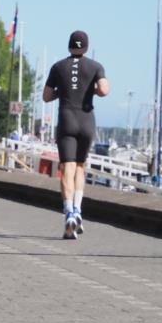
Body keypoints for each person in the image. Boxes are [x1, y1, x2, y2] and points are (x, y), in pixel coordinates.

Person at [42, 30, 110, 239]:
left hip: (66, 120)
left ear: (69, 46)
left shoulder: (57, 67)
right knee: (80, 166)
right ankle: (78, 209)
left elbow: (46, 96)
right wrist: (92, 90)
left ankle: (69, 212)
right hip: (86, 120)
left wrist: (62, 91)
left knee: (67, 168)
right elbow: (104, 90)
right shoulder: (95, 66)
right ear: (86, 47)